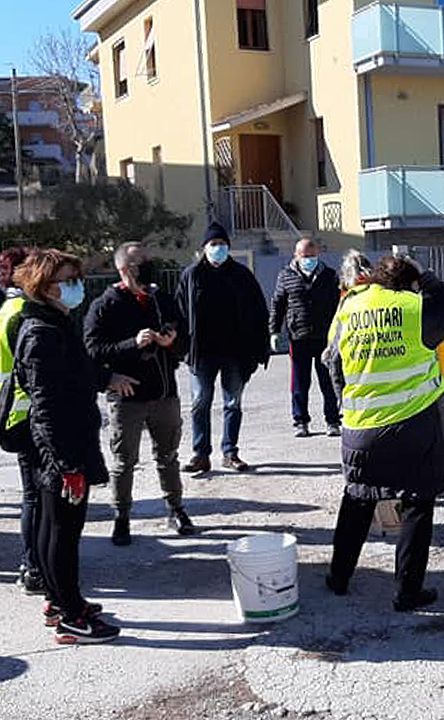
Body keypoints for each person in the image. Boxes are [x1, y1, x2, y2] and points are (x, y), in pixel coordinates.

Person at [323, 255, 444, 612]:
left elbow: (332, 361)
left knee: (358, 498)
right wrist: (426, 276)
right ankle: (407, 591)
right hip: (412, 423)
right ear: (408, 282)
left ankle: (338, 578)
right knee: (418, 502)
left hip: (359, 427)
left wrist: (347, 404)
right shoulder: (413, 306)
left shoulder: (348, 307)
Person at [13, 248, 126, 643]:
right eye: (69, 280)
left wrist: (105, 377)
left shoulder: (54, 323)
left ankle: (61, 601)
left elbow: (75, 373)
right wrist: (65, 465)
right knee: (61, 532)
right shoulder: (41, 334)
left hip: (61, 444)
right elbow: (45, 406)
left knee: (53, 526)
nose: (77, 287)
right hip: (60, 448)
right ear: (45, 286)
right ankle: (71, 615)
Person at [84, 242, 196, 545]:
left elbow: (184, 340)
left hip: (164, 393)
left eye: (148, 259)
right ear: (123, 269)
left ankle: (176, 509)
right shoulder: (105, 305)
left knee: (168, 455)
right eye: (140, 262)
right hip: (127, 397)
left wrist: (171, 342)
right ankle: (121, 517)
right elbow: (91, 351)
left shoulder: (161, 298)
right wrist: (127, 350)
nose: (148, 265)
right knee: (124, 461)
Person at [175, 223, 269, 474]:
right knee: (200, 402)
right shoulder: (192, 275)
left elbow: (259, 311)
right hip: (201, 353)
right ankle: (200, 454)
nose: (219, 249)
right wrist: (181, 349)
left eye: (223, 245)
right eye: (214, 244)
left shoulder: (241, 275)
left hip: (235, 353)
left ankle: (230, 452)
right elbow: (180, 313)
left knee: (233, 403)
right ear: (204, 248)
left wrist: (260, 347)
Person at [0, 246, 45, 594]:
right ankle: (34, 566)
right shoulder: (23, 313)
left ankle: (32, 564)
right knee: (36, 497)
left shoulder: (9, 309)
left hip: (15, 414)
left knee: (33, 495)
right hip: (29, 417)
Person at [270, 239, 341, 438]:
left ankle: (333, 420)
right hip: (298, 337)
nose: (308, 259)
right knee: (300, 383)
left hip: (325, 338)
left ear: (318, 254)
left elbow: (339, 305)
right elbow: (278, 304)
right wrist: (274, 331)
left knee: (328, 381)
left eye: (312, 255)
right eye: (305, 256)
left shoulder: (330, 276)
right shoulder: (286, 276)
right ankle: (301, 421)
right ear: (296, 256)